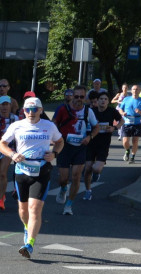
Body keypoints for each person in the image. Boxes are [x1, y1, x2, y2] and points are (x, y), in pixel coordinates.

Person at [0, 97, 63, 260]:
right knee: (23, 209)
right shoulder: (17, 126)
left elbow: (60, 141)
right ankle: (27, 227)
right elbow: (1, 144)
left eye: (35, 109)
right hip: (22, 172)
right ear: (23, 111)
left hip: (41, 171)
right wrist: (12, 154)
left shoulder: (49, 126)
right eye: (28, 110)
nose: (31, 113)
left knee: (35, 208)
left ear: (41, 110)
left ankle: (29, 244)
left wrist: (54, 153)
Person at [51, 84, 98, 216]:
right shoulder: (62, 109)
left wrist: (90, 137)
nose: (78, 99)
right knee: (63, 178)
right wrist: (56, 136)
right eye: (76, 96)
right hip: (64, 146)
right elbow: (54, 122)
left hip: (80, 147)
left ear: (85, 97)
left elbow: (96, 127)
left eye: (81, 97)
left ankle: (69, 205)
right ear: (72, 96)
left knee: (76, 176)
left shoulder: (88, 111)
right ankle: (63, 188)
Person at [82, 89, 122, 200]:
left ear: (108, 101)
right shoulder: (91, 111)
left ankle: (96, 174)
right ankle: (88, 190)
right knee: (88, 168)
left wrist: (114, 128)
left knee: (96, 169)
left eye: (105, 99)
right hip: (91, 142)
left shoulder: (112, 111)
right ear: (97, 101)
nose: (103, 101)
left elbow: (121, 121)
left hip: (103, 144)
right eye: (101, 99)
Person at [118, 84, 141, 163]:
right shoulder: (126, 99)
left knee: (135, 141)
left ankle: (132, 157)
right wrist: (122, 113)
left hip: (137, 123)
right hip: (127, 122)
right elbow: (120, 109)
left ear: (139, 91)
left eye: (137, 89)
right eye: (133, 89)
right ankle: (127, 151)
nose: (135, 91)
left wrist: (140, 112)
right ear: (131, 90)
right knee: (125, 141)